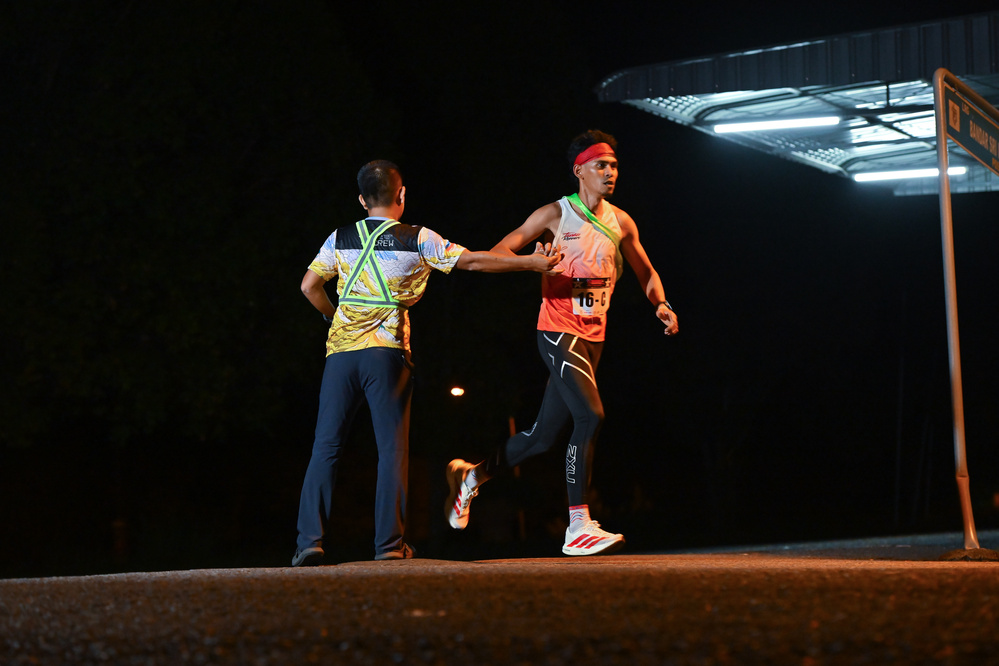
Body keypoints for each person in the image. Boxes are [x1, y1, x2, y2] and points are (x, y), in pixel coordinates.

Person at [293, 160, 561, 566]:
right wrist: (531, 263)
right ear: (401, 195)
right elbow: (473, 261)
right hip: (386, 353)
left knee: (325, 447)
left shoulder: (340, 237)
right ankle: (388, 545)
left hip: (340, 356)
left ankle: (309, 543)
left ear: (362, 200)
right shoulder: (417, 237)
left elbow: (309, 286)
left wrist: (335, 318)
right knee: (391, 451)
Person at [444, 130, 678, 556]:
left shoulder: (622, 222)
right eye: (601, 165)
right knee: (590, 415)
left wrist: (660, 303)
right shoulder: (554, 214)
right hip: (557, 331)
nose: (610, 172)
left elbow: (646, 271)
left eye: (614, 166)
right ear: (579, 170)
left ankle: (471, 477)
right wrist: (532, 263)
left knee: (541, 436)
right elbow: (496, 255)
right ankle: (578, 526)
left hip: (593, 338)